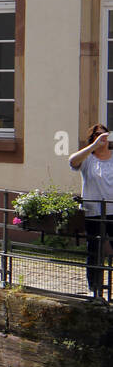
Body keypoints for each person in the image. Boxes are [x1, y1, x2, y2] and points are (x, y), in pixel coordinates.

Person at [68, 123, 113, 298]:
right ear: (92, 139)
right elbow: (72, 161)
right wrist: (93, 147)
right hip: (93, 212)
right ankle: (95, 289)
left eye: (104, 135)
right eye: (98, 135)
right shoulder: (87, 159)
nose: (102, 138)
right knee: (94, 251)